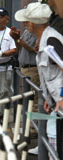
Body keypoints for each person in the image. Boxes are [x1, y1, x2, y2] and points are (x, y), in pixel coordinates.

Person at [15, 2, 63, 159]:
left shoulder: (51, 41)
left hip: (60, 103)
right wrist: (49, 96)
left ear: (31, 23)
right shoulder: (46, 38)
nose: (24, 24)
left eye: (26, 21)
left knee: (57, 149)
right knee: (53, 143)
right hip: (55, 102)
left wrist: (62, 96)